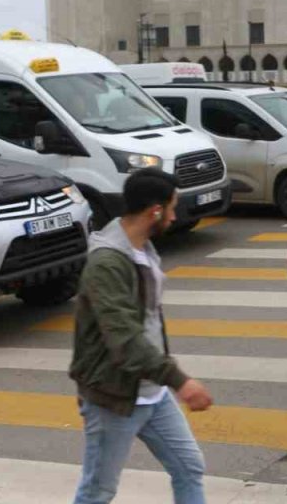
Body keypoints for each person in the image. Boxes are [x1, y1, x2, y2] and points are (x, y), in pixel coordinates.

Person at [70, 168, 212, 504]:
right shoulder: (107, 263)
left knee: (189, 467)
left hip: (152, 390)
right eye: (173, 208)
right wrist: (180, 380)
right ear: (156, 211)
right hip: (114, 396)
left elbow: (148, 320)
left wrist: (165, 379)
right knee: (98, 491)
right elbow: (124, 337)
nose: (175, 216)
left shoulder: (142, 248)